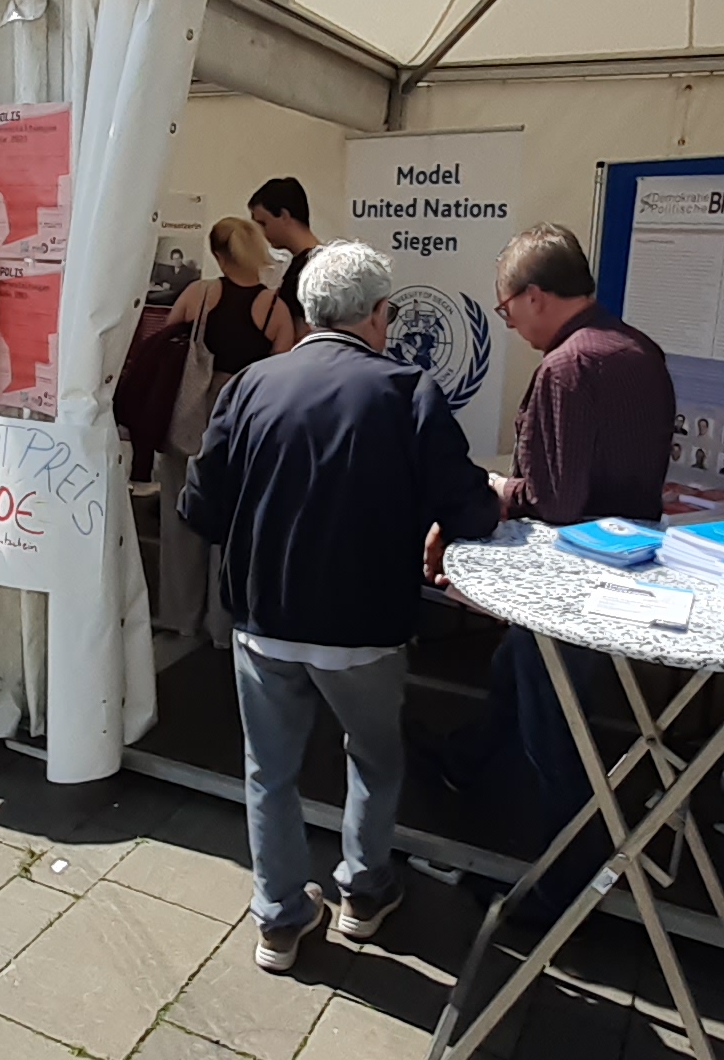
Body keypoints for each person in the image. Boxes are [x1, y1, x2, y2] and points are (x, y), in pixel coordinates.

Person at [181, 241, 499, 970]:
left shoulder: (252, 385)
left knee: (270, 771)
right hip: (364, 629)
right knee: (375, 759)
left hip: (263, 622)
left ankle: (280, 920)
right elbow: (471, 509)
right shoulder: (406, 389)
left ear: (305, 312)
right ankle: (362, 893)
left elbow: (200, 506)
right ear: (379, 315)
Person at [426, 225, 674, 916]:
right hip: (626, 563)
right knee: (518, 674)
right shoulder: (639, 349)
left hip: (568, 580)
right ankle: (462, 760)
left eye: (506, 312)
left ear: (535, 296)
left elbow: (556, 499)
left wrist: (502, 490)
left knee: (554, 731)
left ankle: (565, 887)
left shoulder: (568, 367)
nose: (508, 326)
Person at [156, 217, 292, 646]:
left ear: (217, 255)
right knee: (233, 524)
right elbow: (282, 374)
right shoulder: (274, 308)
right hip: (242, 422)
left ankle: (180, 614)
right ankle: (222, 622)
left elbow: (164, 346)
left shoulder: (198, 294)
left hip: (188, 420)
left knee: (179, 519)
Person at [248, 176, 321, 335]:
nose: (262, 232)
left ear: (283, 215)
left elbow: (303, 333)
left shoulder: (310, 269)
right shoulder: (311, 263)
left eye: (263, 223)